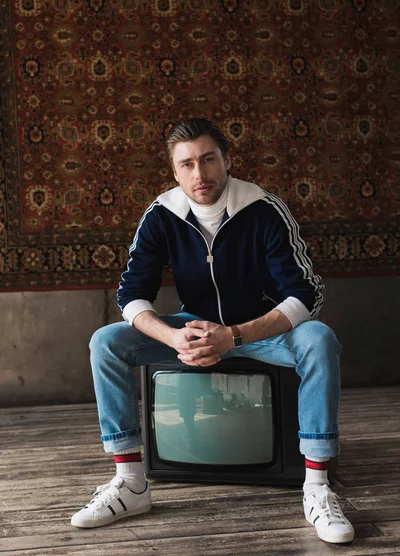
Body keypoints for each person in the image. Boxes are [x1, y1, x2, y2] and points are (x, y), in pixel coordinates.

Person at [71, 117, 354, 544]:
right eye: (186, 164)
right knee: (106, 341)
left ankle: (317, 486)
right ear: (174, 171)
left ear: (227, 160)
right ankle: (130, 481)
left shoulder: (264, 209)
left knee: (318, 338)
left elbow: (306, 293)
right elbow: (131, 294)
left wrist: (236, 335)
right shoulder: (162, 215)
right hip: (195, 327)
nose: (199, 174)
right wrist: (173, 337)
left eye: (208, 160)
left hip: (263, 331)